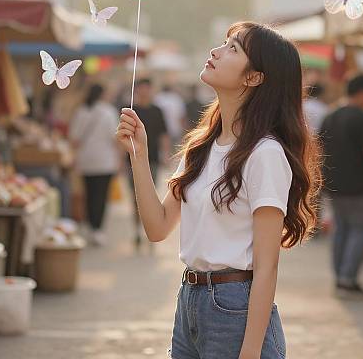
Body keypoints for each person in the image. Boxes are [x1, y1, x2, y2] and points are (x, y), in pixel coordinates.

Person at [116, 22, 321, 358]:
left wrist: (250, 353)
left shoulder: (265, 154)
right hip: (189, 300)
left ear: (253, 77)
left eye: (233, 48)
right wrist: (138, 154)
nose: (216, 51)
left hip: (234, 305)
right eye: (224, 43)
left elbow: (266, 267)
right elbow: (157, 227)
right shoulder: (202, 147)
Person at [320, 74, 363, 298]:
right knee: (359, 230)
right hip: (358, 185)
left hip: (333, 185)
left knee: (341, 229)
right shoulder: (362, 118)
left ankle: (340, 277)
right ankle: (348, 280)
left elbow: (319, 150)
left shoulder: (330, 116)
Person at [70, 84, 119, 246]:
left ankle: (91, 227)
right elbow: (115, 138)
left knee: (89, 194)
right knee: (101, 195)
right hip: (105, 161)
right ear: (102, 94)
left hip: (86, 161)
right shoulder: (108, 112)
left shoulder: (81, 112)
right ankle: (97, 229)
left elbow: (74, 138)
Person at [126, 78, 171, 250]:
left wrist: (165, 155)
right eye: (141, 88)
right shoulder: (131, 110)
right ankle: (138, 230)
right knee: (134, 197)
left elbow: (164, 135)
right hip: (131, 158)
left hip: (152, 159)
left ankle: (149, 232)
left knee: (151, 194)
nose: (144, 91)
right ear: (136, 90)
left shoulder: (157, 111)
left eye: (147, 88)